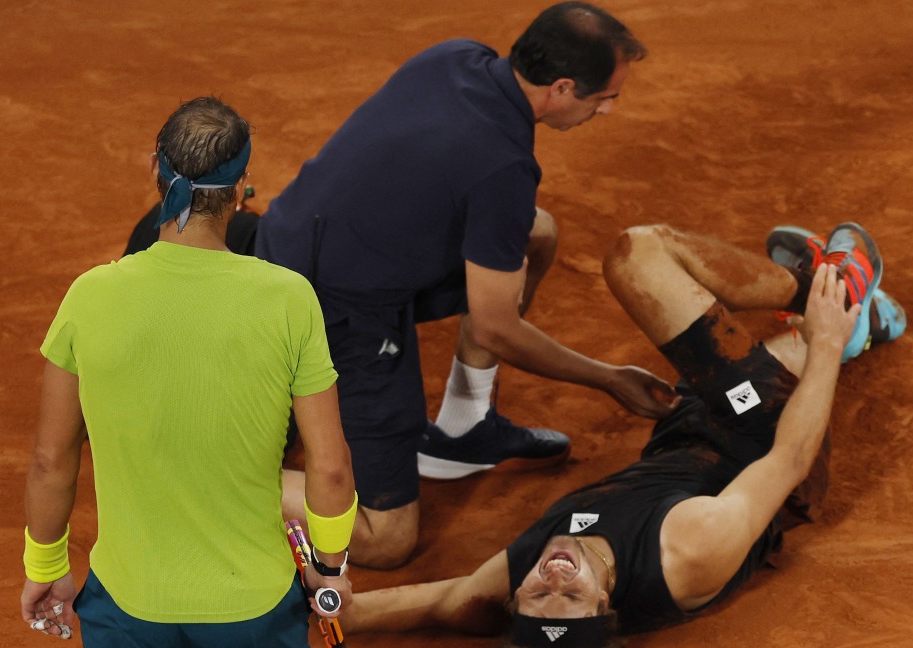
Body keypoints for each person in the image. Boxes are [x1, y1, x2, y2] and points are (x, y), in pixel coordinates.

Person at [341, 221, 908, 648]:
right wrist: (827, 341)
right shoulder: (687, 550)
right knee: (640, 255)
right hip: (763, 434)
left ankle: (837, 329)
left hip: (684, 433)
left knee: (733, 344)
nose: (555, 576)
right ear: (605, 604)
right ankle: (834, 292)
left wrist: (341, 610)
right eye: (571, 595)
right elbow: (789, 460)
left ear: (514, 601)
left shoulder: (518, 580)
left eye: (539, 593)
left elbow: (443, 604)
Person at [247, 1, 679, 570]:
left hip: (296, 242)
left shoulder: (454, 55)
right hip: (331, 312)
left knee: (534, 233)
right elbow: (498, 328)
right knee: (385, 538)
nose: (607, 110)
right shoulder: (502, 166)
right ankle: (211, 472)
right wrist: (609, 379)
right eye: (604, 98)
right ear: (562, 88)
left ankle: (463, 428)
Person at [20, 96, 358, 648]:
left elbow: (51, 457)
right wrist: (330, 563)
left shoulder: (89, 296)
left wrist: (44, 562)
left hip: (129, 610)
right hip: (254, 610)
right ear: (241, 189)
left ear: (156, 171)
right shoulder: (289, 297)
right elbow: (329, 468)